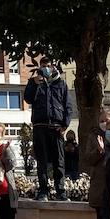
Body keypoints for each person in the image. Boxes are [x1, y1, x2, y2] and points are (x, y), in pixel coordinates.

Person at [23, 57, 75, 200]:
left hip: (57, 127)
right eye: (43, 66)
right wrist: (34, 83)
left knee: (59, 161)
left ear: (53, 67)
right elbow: (27, 99)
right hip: (40, 126)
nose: (46, 68)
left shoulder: (61, 84)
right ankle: (43, 191)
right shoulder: (34, 82)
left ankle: (61, 191)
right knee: (42, 161)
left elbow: (68, 106)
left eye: (48, 65)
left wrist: (65, 124)